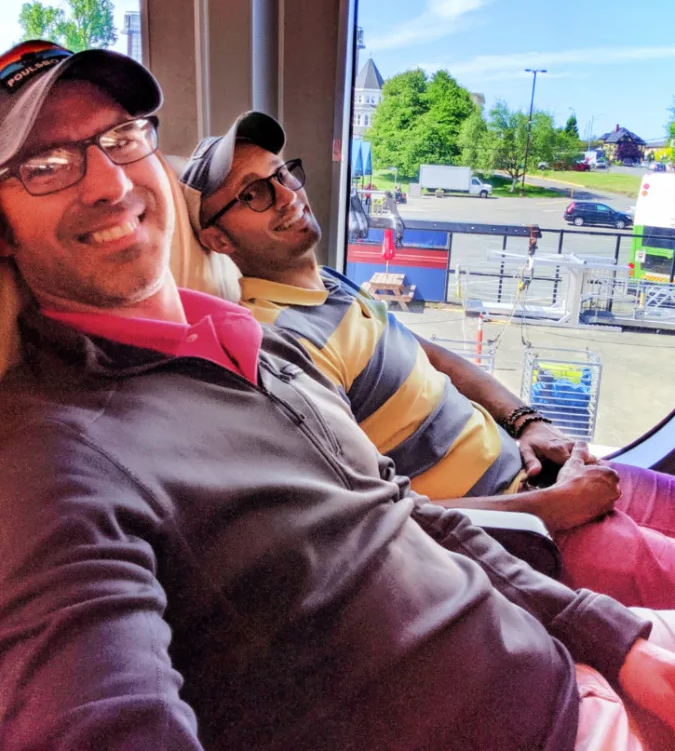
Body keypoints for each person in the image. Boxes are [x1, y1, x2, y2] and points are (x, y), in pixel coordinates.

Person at [1, 42, 675, 751]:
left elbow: (404, 513)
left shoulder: (263, 350)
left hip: (565, 657)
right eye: (45, 166)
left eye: (121, 138)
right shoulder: (51, 460)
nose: (108, 182)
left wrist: (610, 635)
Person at [183, 110, 675, 609]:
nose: (288, 194)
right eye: (254, 193)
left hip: (541, 470)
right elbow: (373, 519)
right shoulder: (279, 346)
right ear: (218, 239)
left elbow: (429, 355)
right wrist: (548, 509)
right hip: (522, 530)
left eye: (281, 173)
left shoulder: (329, 282)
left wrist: (527, 422)